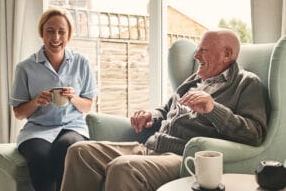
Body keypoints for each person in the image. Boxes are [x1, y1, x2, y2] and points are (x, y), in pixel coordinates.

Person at [60, 29, 268, 191]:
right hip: (151, 146)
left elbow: (255, 133)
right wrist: (152, 116)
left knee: (123, 167)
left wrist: (213, 109)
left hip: (181, 156)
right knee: (80, 151)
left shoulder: (246, 83)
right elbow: (167, 108)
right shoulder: (195, 79)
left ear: (227, 54)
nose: (196, 56)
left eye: (203, 50)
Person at [10, 7, 97, 191]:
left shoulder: (82, 63)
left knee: (68, 148)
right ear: (42, 32)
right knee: (40, 157)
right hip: (37, 130)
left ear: (69, 35)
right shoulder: (25, 67)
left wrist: (73, 98)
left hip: (72, 127)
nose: (55, 37)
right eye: (50, 31)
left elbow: (88, 105)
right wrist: (36, 102)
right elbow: (18, 113)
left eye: (61, 32)